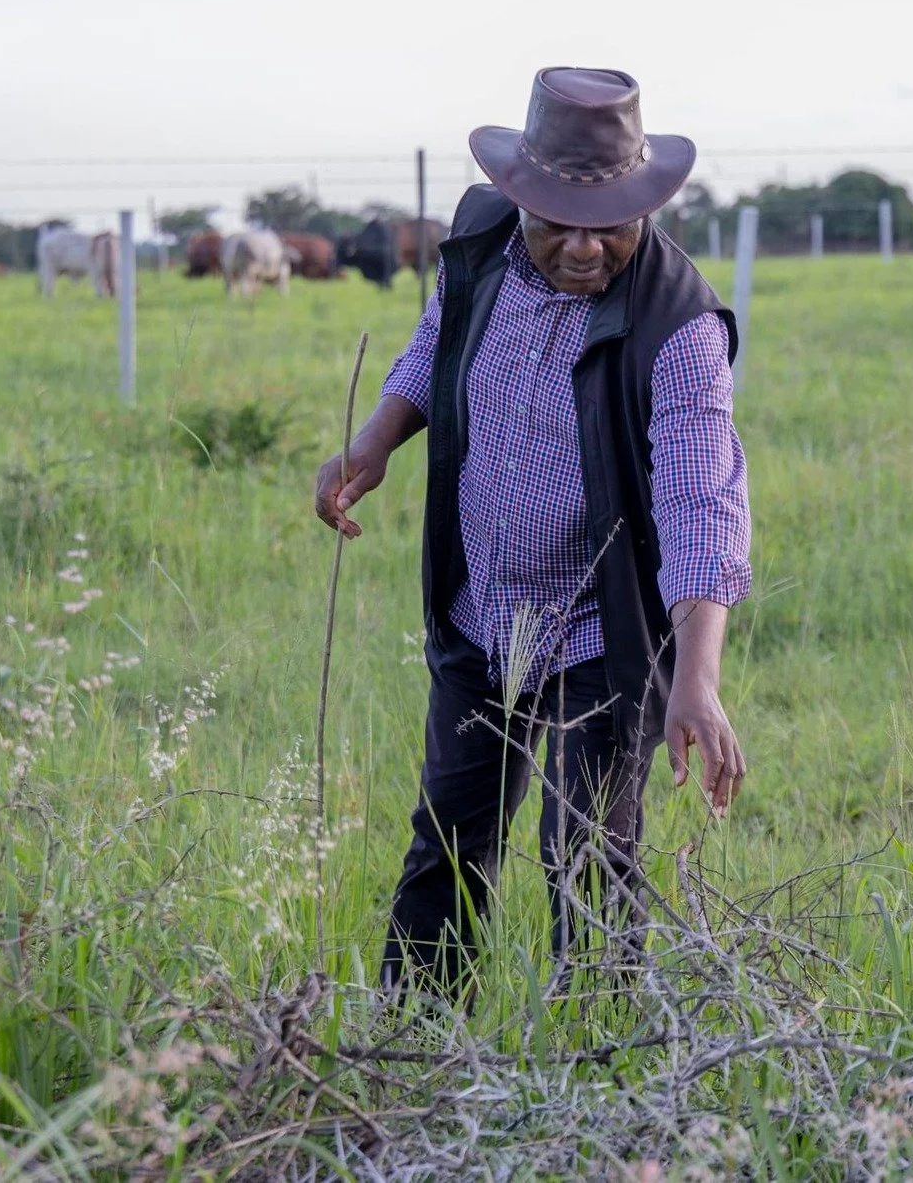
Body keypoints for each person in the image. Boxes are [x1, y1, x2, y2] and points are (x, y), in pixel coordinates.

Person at [313, 68, 753, 993]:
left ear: (646, 202)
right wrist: (377, 439)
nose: (588, 248)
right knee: (448, 840)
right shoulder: (480, 246)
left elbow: (699, 502)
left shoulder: (680, 325)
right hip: (484, 614)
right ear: (520, 200)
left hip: (604, 626)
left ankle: (595, 1080)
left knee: (586, 856)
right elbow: (436, 341)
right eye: (561, 222)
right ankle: (414, 1044)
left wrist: (698, 684)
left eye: (613, 223)